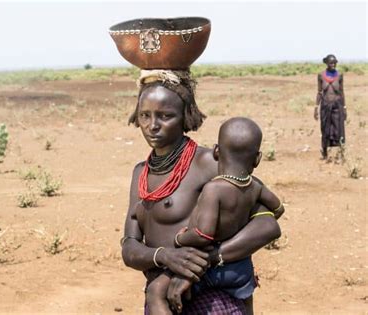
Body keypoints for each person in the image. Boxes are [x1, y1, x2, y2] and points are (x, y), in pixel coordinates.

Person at [121, 70, 282, 314]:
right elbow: (130, 248)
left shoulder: (210, 163)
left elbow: (267, 224)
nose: (152, 126)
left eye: (165, 116)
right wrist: (164, 256)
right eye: (145, 116)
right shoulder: (140, 174)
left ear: (185, 116)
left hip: (211, 297)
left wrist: (209, 260)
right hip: (162, 299)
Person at [146, 117, 285, 315]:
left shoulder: (213, 189)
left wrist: (180, 238)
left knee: (156, 291)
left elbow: (204, 235)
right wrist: (243, 220)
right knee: (245, 302)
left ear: (216, 151)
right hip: (239, 268)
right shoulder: (255, 186)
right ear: (257, 158)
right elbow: (278, 209)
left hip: (208, 267)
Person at [314, 54, 346, 161]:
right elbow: (319, 92)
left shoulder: (340, 75)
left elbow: (342, 92)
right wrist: (315, 107)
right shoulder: (321, 75)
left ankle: (341, 153)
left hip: (337, 105)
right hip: (325, 106)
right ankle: (325, 153)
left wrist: (344, 107)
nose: (333, 64)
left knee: (339, 129)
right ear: (327, 63)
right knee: (325, 128)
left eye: (335, 62)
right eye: (331, 62)